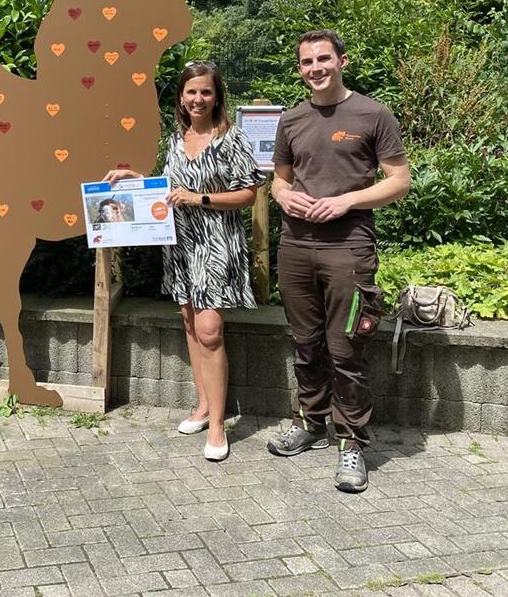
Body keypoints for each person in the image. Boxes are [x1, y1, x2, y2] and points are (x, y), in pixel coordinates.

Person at [267, 30, 410, 493]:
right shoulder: (290, 120)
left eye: (323, 59)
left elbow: (399, 181)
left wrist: (347, 202)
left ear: (342, 61)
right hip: (295, 245)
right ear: (299, 69)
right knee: (306, 343)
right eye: (307, 62)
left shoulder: (373, 114)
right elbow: (279, 182)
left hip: (348, 246)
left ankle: (352, 443)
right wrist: (286, 198)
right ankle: (310, 425)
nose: (315, 68)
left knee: (347, 349)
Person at [105, 61, 262, 461]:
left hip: (217, 244)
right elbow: (170, 190)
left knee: (210, 331)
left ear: (217, 96)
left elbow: (248, 194)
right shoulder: (180, 137)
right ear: (181, 97)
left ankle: (217, 426)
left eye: (206, 92)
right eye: (191, 92)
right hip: (180, 245)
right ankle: (204, 405)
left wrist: (200, 199)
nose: (198, 99)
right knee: (191, 325)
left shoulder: (231, 139)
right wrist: (134, 179)